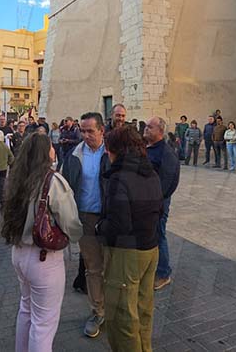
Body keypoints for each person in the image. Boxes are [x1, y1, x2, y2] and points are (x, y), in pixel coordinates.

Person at [1, 134, 82, 352]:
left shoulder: (17, 178)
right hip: (44, 257)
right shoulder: (53, 181)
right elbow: (70, 222)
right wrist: (76, 235)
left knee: (26, 309)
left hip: (19, 251)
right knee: (44, 323)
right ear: (46, 153)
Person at [95, 126, 163, 352]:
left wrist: (99, 227)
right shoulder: (151, 173)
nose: (107, 153)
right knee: (143, 309)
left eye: (108, 148)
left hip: (127, 253)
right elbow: (159, 209)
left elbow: (119, 225)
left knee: (122, 316)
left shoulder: (119, 178)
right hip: (150, 248)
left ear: (116, 150)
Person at [61, 112, 111, 339]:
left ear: (102, 130)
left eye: (90, 131)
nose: (86, 135)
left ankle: (115, 309)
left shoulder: (112, 153)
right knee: (93, 268)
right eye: (83, 131)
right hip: (86, 219)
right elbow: (64, 187)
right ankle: (97, 312)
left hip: (110, 218)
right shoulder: (74, 155)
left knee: (113, 267)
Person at [143, 117, 180, 291]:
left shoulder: (166, 152)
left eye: (150, 127)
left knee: (159, 234)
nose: (146, 129)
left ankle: (164, 273)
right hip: (145, 200)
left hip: (157, 203)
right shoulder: (147, 147)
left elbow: (169, 181)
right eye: (146, 126)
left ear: (160, 131)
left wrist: (157, 200)